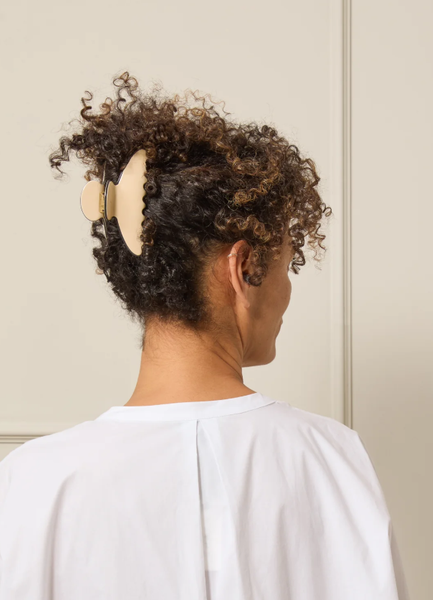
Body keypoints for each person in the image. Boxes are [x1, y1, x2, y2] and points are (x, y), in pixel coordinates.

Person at [0, 72, 410, 599]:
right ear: (242, 268)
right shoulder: (330, 459)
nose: (287, 290)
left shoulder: (34, 483)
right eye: (287, 265)